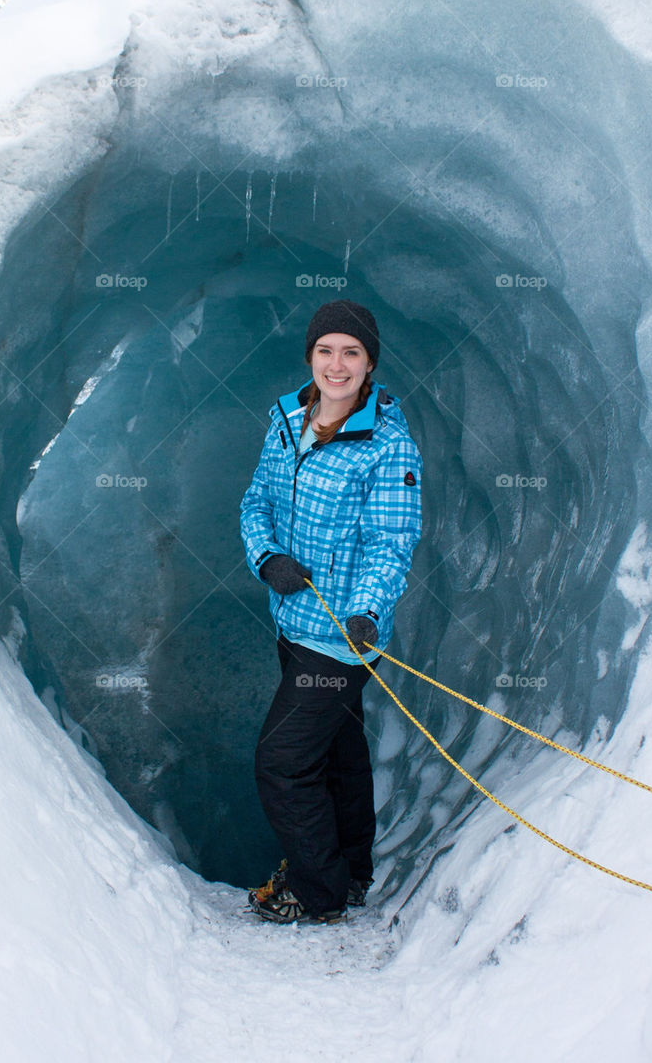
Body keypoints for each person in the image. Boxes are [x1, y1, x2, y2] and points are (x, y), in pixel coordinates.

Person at [239, 299, 423, 923]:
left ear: (369, 363)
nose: (336, 365)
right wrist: (267, 558)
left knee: (283, 763)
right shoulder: (288, 420)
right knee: (338, 749)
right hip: (294, 621)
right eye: (325, 351)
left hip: (343, 639)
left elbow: (390, 542)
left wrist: (368, 610)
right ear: (310, 357)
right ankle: (350, 876)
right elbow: (255, 500)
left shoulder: (388, 445)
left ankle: (316, 893)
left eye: (351, 352)